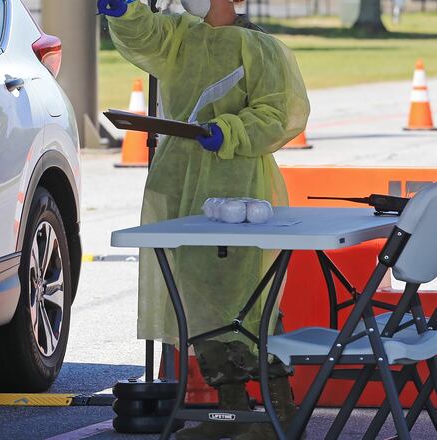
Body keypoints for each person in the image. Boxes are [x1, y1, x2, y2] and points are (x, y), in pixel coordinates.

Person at [98, 1, 310, 439]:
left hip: (239, 181)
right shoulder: (179, 35)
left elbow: (279, 113)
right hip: (180, 183)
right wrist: (123, 12)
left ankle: (278, 414)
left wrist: (230, 131)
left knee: (247, 296)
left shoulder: (261, 48)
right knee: (195, 294)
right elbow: (143, 36)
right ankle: (231, 410)